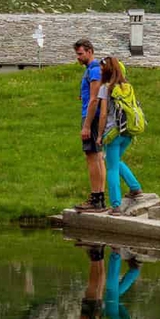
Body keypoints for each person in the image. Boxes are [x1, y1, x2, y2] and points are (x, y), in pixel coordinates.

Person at [94, 56, 143, 211]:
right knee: (114, 160)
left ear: (107, 70)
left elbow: (103, 115)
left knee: (112, 168)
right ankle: (135, 187)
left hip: (113, 133)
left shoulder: (105, 88)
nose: (100, 71)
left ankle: (116, 206)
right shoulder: (128, 86)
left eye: (102, 69)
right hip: (128, 131)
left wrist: (100, 135)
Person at [73, 39, 106, 211]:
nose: (78, 58)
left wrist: (86, 126)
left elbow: (94, 99)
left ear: (90, 51)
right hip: (94, 117)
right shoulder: (93, 70)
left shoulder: (94, 70)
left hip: (91, 117)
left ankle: (95, 198)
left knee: (92, 157)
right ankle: (100, 198)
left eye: (80, 54)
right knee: (98, 157)